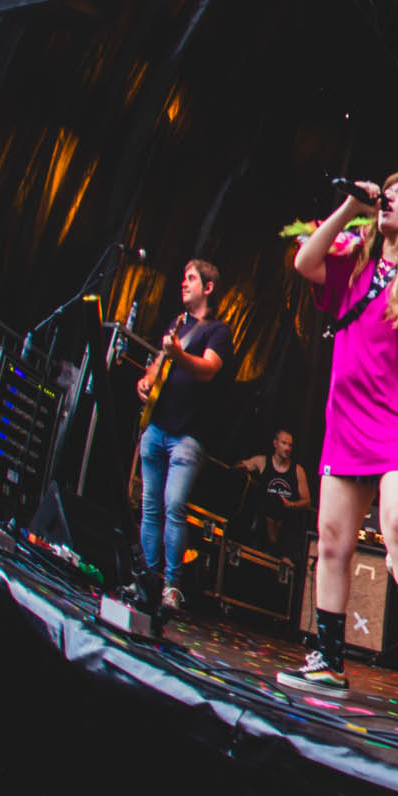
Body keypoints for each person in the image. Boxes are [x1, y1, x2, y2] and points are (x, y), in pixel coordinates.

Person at [276, 172, 398, 732]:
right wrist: (349, 206)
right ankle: (328, 659)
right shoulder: (355, 260)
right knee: (333, 538)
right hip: (349, 417)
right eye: (386, 188)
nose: (389, 196)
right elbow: (304, 262)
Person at [134, 259, 233, 611]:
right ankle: (147, 581)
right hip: (156, 426)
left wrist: (179, 354)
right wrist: (146, 382)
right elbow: (157, 365)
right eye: (184, 278)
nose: (184, 283)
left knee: (174, 506)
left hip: (188, 435)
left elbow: (208, 369)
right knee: (150, 506)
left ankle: (171, 587)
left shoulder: (218, 331)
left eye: (191, 278)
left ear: (208, 287)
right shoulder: (176, 325)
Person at [238, 428, 312, 554]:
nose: (287, 448)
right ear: (275, 443)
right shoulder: (262, 461)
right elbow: (241, 465)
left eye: (290, 445)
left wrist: (291, 504)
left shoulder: (298, 470)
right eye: (284, 443)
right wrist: (241, 469)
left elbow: (307, 501)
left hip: (284, 526)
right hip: (262, 524)